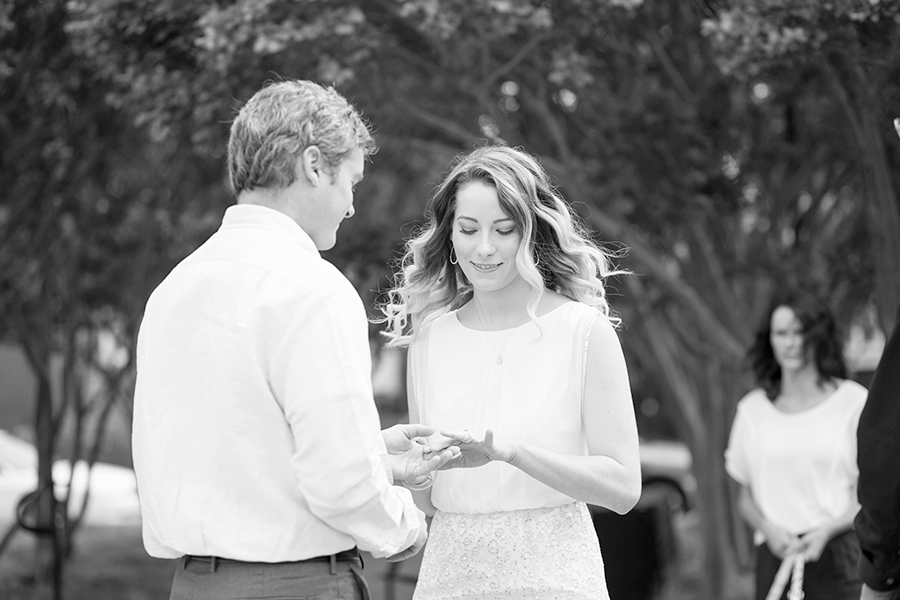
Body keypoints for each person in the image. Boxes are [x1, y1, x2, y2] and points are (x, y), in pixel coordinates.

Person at [132, 80, 458, 600]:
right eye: (351, 181)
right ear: (314, 166)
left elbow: (239, 447)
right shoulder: (313, 289)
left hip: (193, 586)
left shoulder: (174, 289)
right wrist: (405, 528)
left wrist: (371, 453)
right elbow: (341, 483)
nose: (351, 207)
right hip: (296, 583)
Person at [379, 145, 642, 599]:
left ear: (531, 233)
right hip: (450, 578)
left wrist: (513, 453)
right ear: (450, 235)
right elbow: (429, 501)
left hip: (555, 579)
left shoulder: (583, 331)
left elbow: (623, 487)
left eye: (503, 230)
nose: (484, 247)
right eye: (468, 229)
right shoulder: (429, 340)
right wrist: (416, 474)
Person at [725, 292, 868, 600]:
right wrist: (768, 529)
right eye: (781, 333)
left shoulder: (853, 403)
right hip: (774, 555)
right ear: (770, 340)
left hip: (839, 556)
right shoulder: (752, 411)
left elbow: (867, 495)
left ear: (818, 337)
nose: (791, 343)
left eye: (799, 332)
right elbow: (744, 499)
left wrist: (826, 531)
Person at [856, 303, 900, 600]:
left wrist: (880, 572)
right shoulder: (753, 408)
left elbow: (884, 458)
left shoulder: (849, 399)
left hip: (841, 544)